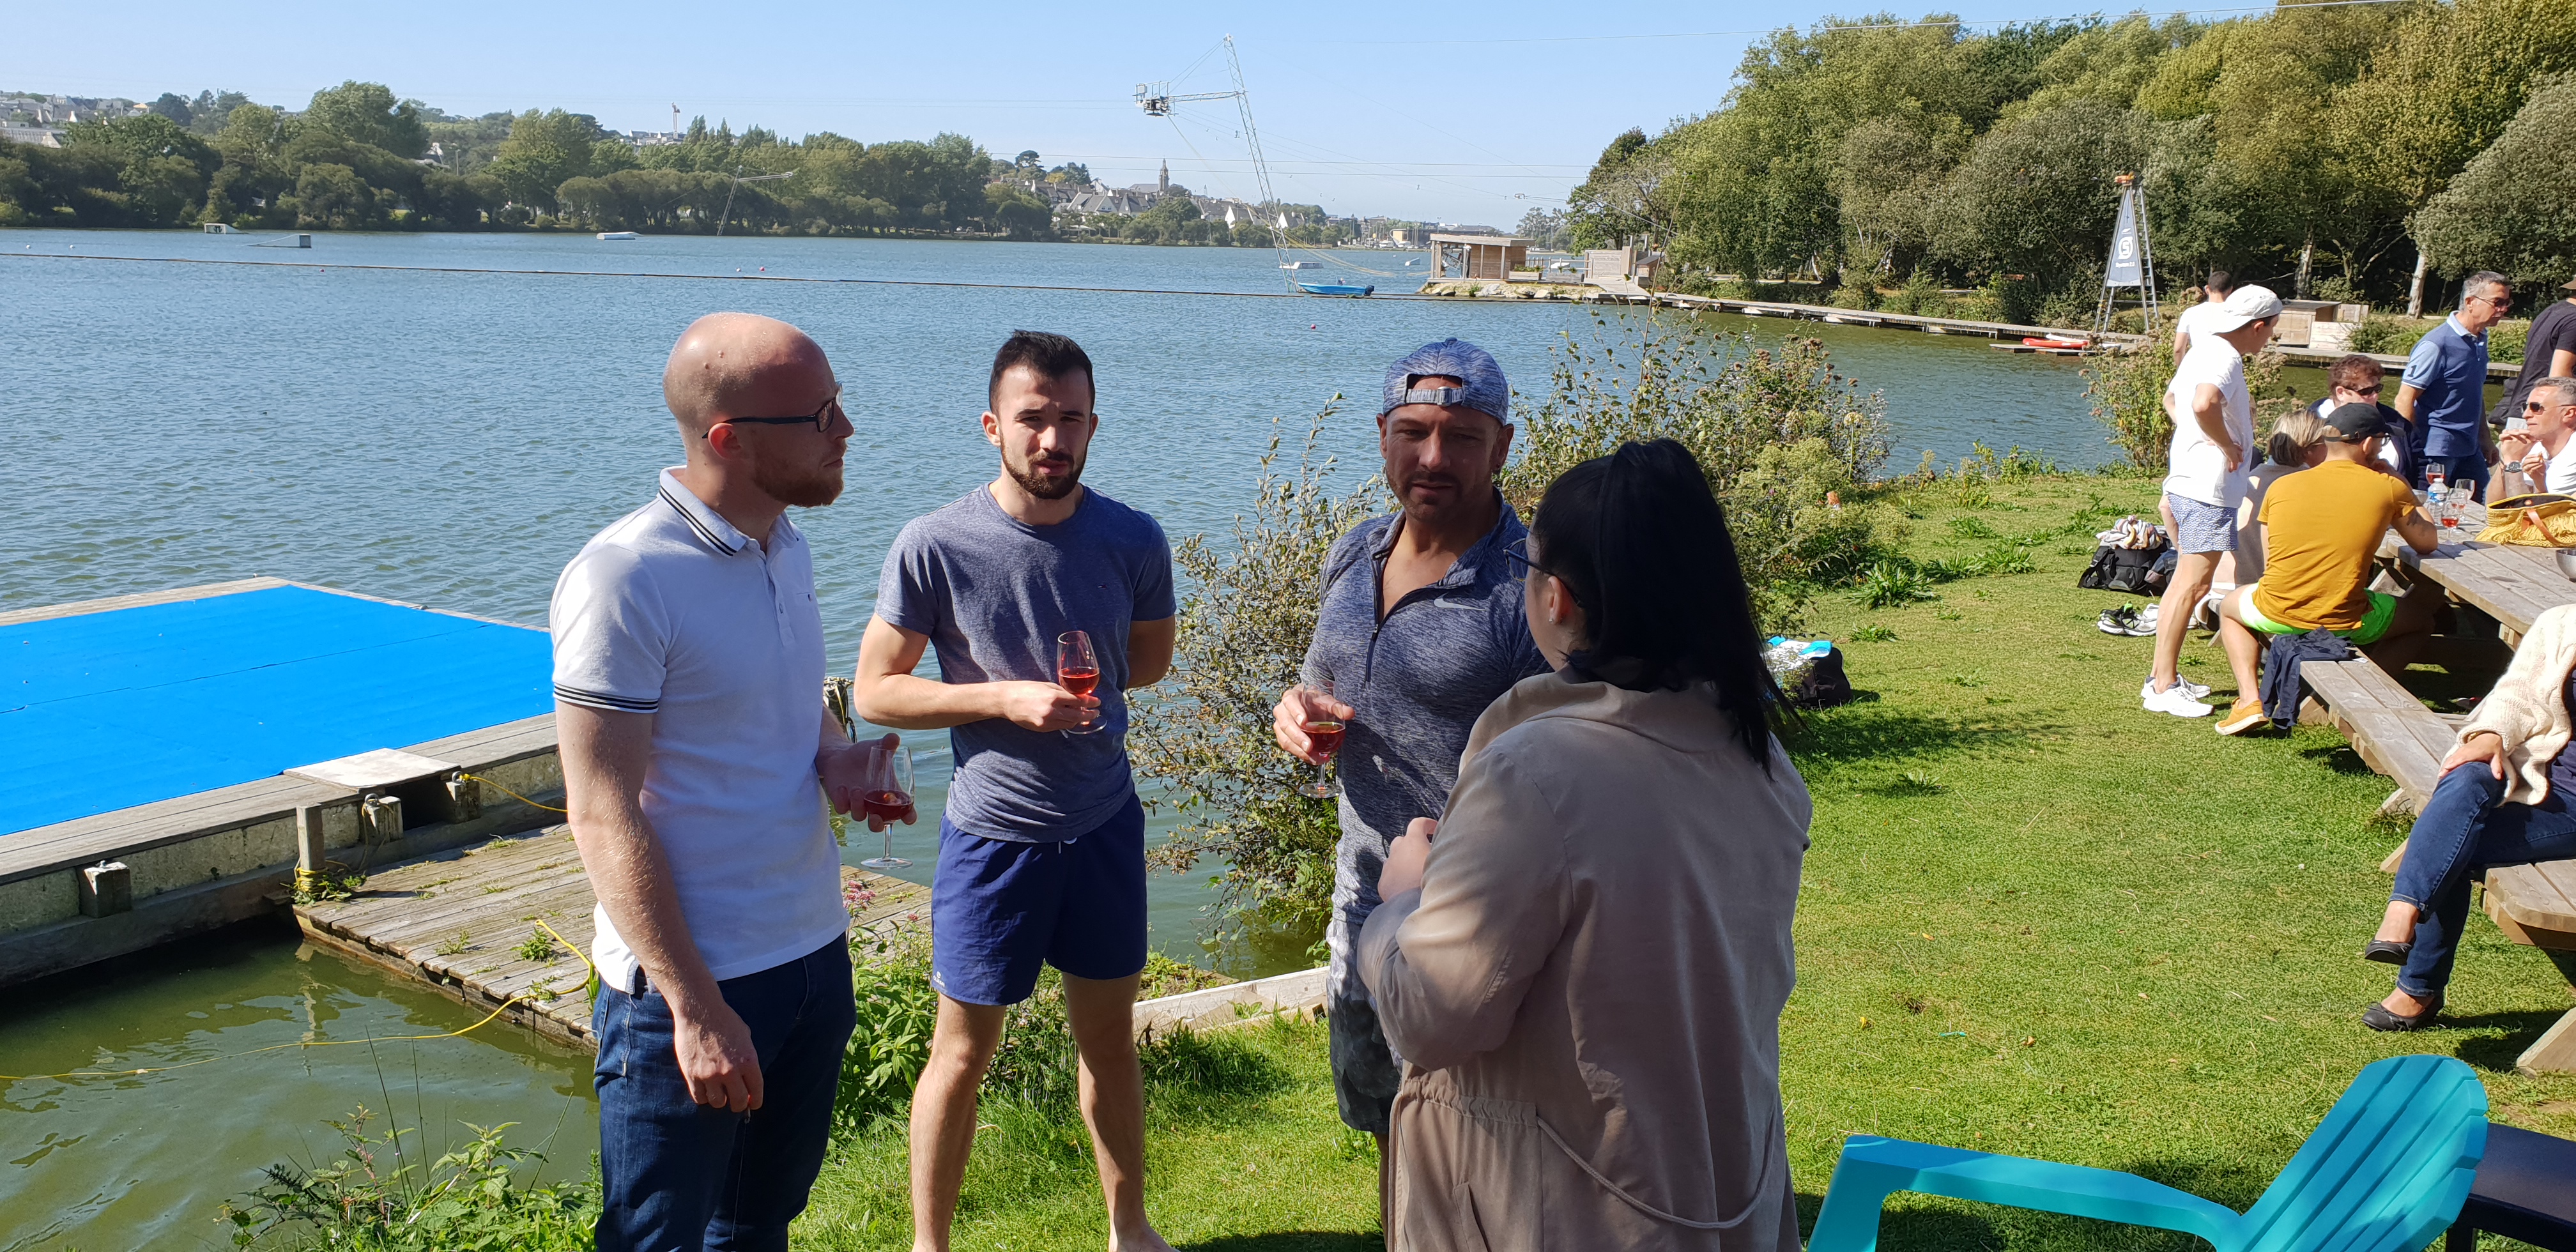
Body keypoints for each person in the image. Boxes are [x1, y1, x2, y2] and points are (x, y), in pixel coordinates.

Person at [1356, 438, 1809, 1252]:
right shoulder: (1758, 757)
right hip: (1715, 1182)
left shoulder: (1536, 775)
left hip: (1568, 1207)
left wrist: (1401, 902)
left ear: (1556, 596)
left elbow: (1431, 1015)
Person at [553, 312, 914, 1252]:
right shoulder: (624, 578)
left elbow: (788, 703)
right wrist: (695, 1008)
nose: (847, 430)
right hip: (688, 985)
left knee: (759, 1224)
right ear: (729, 441)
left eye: (838, 405)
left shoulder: (782, 543)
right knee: (658, 1241)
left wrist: (835, 760)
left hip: (811, 955)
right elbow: (600, 811)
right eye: (821, 415)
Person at [850, 330, 1177, 1252]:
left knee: (1108, 1040)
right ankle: (931, 1248)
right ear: (993, 426)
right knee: (961, 1053)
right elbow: (876, 689)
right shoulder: (935, 544)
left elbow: (1150, 662)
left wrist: (1078, 698)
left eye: (1071, 418)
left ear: (1093, 426)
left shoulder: (1134, 538)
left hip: (1104, 823)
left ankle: (1129, 1229)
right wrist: (1000, 698)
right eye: (1033, 418)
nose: (1052, 439)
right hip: (994, 837)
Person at [1268, 337, 1550, 1217]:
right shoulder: (1356, 550)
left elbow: (1563, 771)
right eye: (1414, 431)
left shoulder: (1530, 587)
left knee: (1478, 1139)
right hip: (1362, 893)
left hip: (1475, 914)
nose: (1434, 457)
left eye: (1461, 437)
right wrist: (1296, 709)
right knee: (1387, 1116)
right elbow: (1321, 679)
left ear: (1501, 447)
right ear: (1383, 436)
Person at [2361, 601, 2576, 1030]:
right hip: (2540, 777)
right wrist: (2490, 733)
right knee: (2469, 775)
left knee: (2451, 846)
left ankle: (2417, 990)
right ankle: (2402, 914)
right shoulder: (2563, 622)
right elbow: (2516, 693)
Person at [2211, 403, 2442, 733]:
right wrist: (2399, 479)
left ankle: (2249, 700)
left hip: (2275, 608)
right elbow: (2427, 542)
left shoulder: (2281, 487)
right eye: (2381, 441)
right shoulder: (2388, 487)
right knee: (2422, 620)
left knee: (2230, 607)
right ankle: (2366, 695)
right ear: (2368, 444)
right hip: (2344, 618)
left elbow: (2271, 562)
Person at [2145, 284, 2281, 719]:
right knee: (2193, 585)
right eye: (2272, 330)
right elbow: (2204, 403)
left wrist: (2196, 434)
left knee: (2186, 583)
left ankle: (2161, 677)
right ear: (2257, 326)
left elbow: (2172, 400)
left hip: (2190, 481)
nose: (2271, 338)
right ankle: (2163, 687)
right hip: (2208, 489)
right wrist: (2225, 444)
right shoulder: (2225, 357)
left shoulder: (2203, 348)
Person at [2396, 271, 2513, 498]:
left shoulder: (2480, 339)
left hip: (2470, 447)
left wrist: (2485, 439)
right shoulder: (2436, 344)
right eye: (2498, 302)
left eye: (2507, 303)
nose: (2503, 309)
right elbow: (2404, 399)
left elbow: (2474, 393)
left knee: (2484, 506)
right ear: (2470, 302)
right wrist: (2410, 449)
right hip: (2437, 450)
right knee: (2431, 508)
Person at [2225, 409, 2329, 592]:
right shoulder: (2308, 485)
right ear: (2310, 450)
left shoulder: (2250, 479)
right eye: (2326, 443)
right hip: (2259, 590)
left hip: (2219, 586)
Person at [2311, 355, 2418, 487]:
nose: (2375, 396)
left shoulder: (2396, 421)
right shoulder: (2312, 424)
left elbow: (2420, 467)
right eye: (2366, 391)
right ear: (2341, 393)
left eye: (2377, 389)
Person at [2493, 277, 2576, 431]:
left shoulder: (2553, 311)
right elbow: (2559, 377)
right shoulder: (2574, 320)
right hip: (2543, 419)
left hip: (2524, 410)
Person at [2498, 377, 2576, 497]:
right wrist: (2507, 457)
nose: (2525, 415)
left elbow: (2520, 507)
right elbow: (2493, 503)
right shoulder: (2535, 448)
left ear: (2568, 413)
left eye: (2536, 407)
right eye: (2525, 407)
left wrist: (2513, 462)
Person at [2170, 268, 2239, 360]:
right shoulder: (2237, 313)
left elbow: (2178, 349)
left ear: (2207, 289)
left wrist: (2182, 367)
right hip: (2229, 364)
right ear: (2230, 290)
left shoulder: (2190, 313)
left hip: (2199, 364)